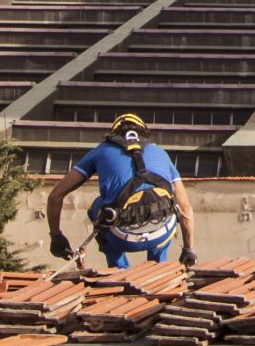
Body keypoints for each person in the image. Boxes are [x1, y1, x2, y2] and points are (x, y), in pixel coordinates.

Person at [48, 112, 198, 268]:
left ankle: (118, 269)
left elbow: (55, 196)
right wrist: (189, 248)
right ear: (144, 132)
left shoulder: (101, 150)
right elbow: (185, 208)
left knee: (98, 206)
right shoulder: (161, 153)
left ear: (114, 133)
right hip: (161, 233)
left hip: (120, 237)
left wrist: (56, 236)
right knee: (165, 204)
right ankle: (157, 266)